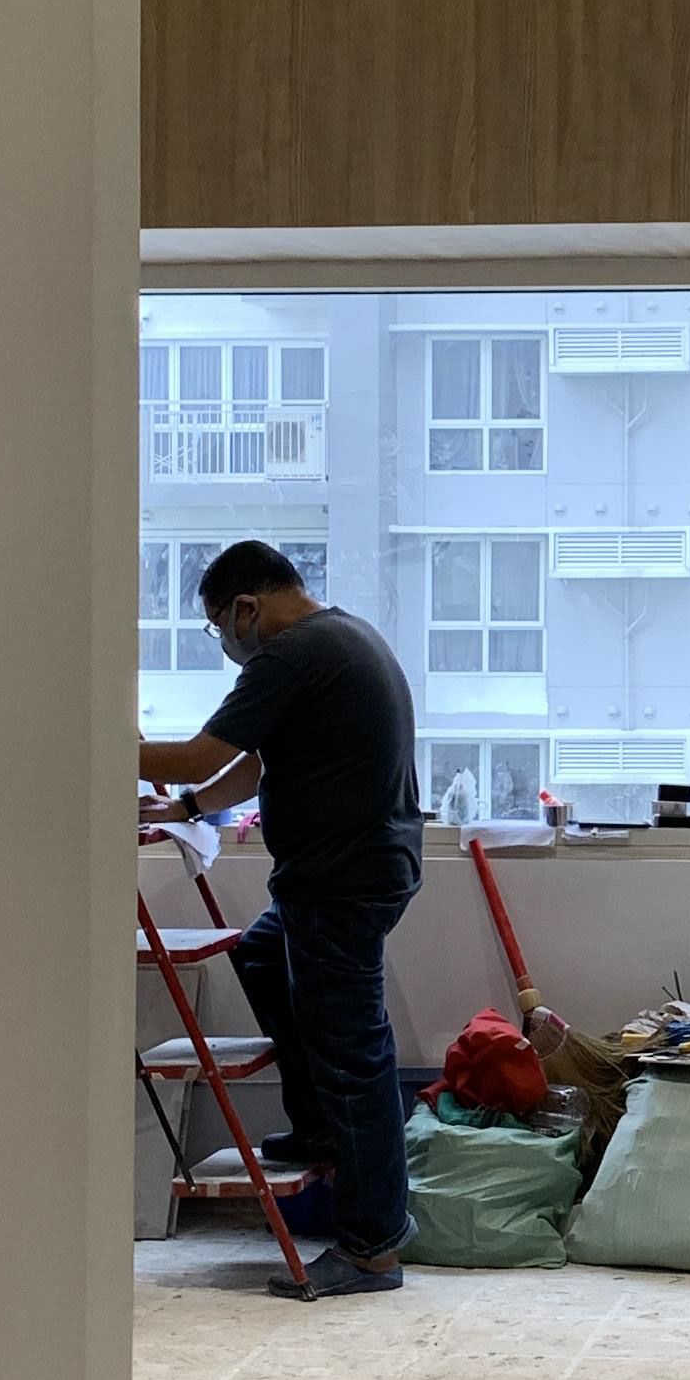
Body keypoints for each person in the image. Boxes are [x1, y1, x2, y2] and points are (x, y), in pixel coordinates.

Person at [138, 538, 424, 1298]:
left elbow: (199, 754)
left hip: (340, 882)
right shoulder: (344, 635)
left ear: (246, 606)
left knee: (353, 1056)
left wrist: (100, 746)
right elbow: (255, 764)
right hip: (355, 871)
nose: (226, 642)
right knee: (262, 954)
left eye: (219, 627)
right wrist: (189, 810)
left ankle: (372, 1247)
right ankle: (321, 1127)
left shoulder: (292, 654)